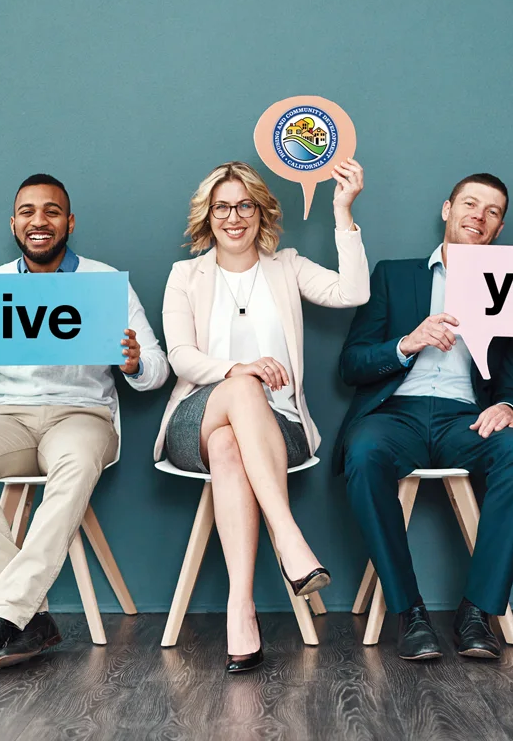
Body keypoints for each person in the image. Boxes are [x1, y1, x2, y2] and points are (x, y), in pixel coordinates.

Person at [0, 174, 169, 676]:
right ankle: (28, 616)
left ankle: (4, 614)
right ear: (13, 223)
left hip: (83, 415)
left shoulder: (105, 283)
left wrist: (133, 363)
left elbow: (157, 373)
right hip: (7, 416)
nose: (40, 221)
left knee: (76, 463)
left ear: (69, 222)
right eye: (28, 212)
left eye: (52, 211)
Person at [157, 160, 370, 672]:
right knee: (241, 388)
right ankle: (289, 539)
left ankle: (240, 610)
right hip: (197, 422)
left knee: (234, 447)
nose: (234, 217)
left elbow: (353, 293)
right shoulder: (186, 275)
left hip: (281, 429)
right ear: (208, 216)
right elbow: (181, 357)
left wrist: (343, 212)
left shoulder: (287, 266)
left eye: (244, 205)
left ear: (261, 211)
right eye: (222, 207)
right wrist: (240, 368)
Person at [333, 173, 513, 662]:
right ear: (447, 209)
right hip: (395, 415)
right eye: (470, 204)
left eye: (492, 211)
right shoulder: (394, 275)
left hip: (465, 419)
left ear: (499, 227)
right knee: (362, 451)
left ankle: (477, 612)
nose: (479, 215)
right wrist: (407, 342)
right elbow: (351, 364)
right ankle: (409, 613)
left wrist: (509, 407)